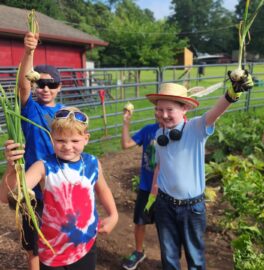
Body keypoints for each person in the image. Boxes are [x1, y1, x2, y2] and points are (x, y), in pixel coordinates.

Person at [145, 72, 254, 270]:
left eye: (170, 109)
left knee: (195, 258)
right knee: (168, 256)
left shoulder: (195, 129)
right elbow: (159, 167)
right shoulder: (158, 134)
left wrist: (232, 93)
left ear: (184, 108)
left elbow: (215, 112)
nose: (164, 114)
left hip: (191, 209)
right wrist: (152, 198)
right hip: (164, 205)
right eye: (159, 110)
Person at [0, 107, 118, 270]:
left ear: (86, 138)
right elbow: (7, 197)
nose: (68, 147)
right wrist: (11, 168)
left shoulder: (92, 163)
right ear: (51, 139)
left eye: (75, 141)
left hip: (86, 246)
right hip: (52, 251)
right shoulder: (43, 167)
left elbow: (103, 189)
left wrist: (113, 214)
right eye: (61, 141)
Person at [17, 31, 64, 270]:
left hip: (59, 184)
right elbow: (23, 87)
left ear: (59, 87)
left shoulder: (67, 114)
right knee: (33, 241)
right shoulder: (30, 108)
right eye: (40, 83)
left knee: (59, 235)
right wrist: (29, 51)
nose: (45, 88)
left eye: (51, 84)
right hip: (32, 189)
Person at [121, 106, 160, 270]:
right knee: (140, 221)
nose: (160, 113)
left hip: (166, 190)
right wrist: (126, 123)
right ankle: (138, 252)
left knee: (165, 226)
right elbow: (126, 144)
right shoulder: (148, 130)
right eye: (157, 109)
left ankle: (169, 256)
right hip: (146, 187)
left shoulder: (177, 133)